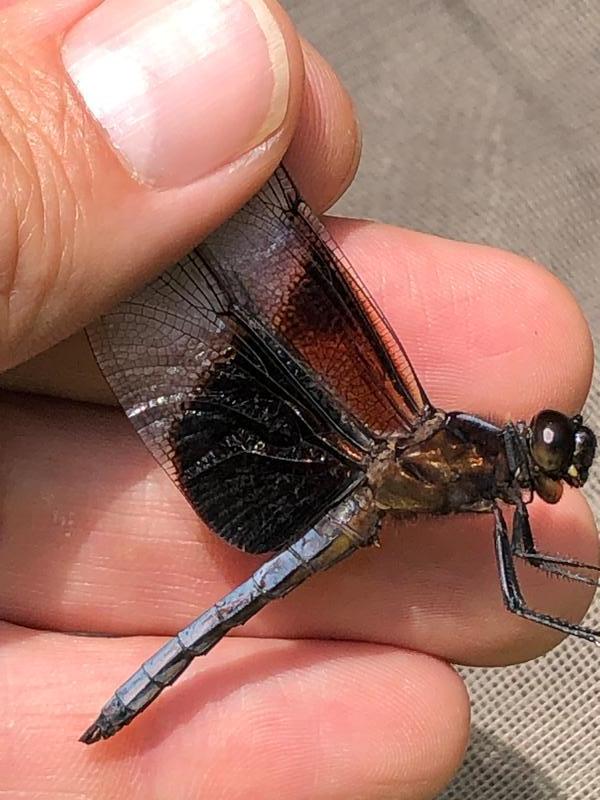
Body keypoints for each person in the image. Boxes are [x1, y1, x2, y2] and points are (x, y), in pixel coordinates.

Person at [0, 0, 596, 797]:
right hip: (342, 488)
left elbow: (524, 572)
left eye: (553, 447)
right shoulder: (484, 470)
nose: (550, 454)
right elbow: (522, 584)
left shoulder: (480, 461)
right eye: (553, 447)